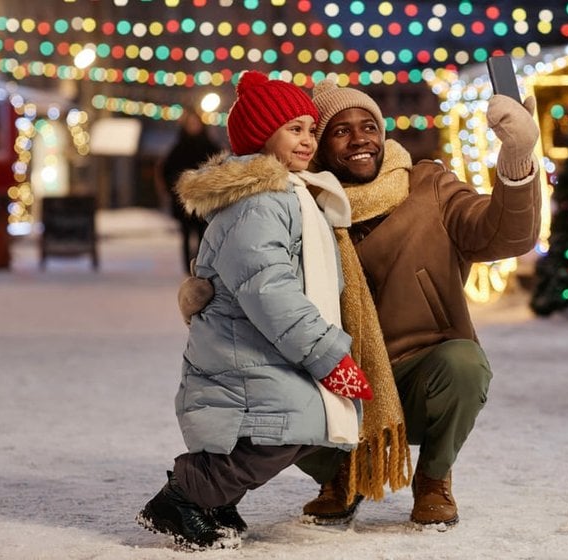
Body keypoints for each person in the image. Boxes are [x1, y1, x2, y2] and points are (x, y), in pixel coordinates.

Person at [179, 77, 542, 529]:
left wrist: (517, 158)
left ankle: (432, 479)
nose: (359, 140)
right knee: (280, 395)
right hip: (332, 368)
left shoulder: (428, 186)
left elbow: (507, 233)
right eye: (339, 130)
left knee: (464, 364)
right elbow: (255, 265)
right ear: (322, 146)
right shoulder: (302, 199)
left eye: (368, 126)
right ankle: (339, 477)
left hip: (416, 366)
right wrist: (207, 288)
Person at [136, 71, 374, 551]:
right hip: (246, 346)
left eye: (310, 129)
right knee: (283, 429)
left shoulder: (289, 192)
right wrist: (330, 357)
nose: (308, 140)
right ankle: (182, 497)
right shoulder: (261, 202)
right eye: (294, 129)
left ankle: (213, 499)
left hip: (264, 345)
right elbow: (270, 290)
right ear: (262, 137)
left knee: (306, 424)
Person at [159, 107, 222, 272]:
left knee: (204, 235)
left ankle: (201, 267)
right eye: (190, 123)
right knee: (186, 234)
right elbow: (167, 171)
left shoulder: (210, 146)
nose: (193, 126)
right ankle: (188, 268)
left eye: (195, 123)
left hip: (205, 200)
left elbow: (221, 169)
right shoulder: (178, 148)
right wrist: (176, 190)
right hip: (185, 201)